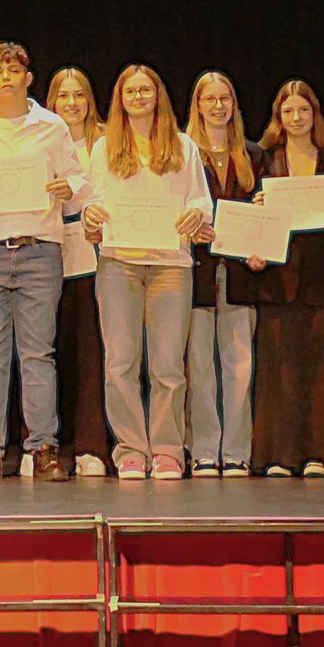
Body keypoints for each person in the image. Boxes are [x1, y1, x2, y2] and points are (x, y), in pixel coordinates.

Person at [0, 42, 91, 481]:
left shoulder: (51, 126)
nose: (6, 77)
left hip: (39, 249)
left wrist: (69, 188)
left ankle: (43, 445)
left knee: (37, 353)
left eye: (14, 70)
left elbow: (78, 178)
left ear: (28, 78)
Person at [82, 65, 211, 481]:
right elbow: (93, 203)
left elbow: (201, 200)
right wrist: (91, 217)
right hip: (118, 262)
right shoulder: (104, 147)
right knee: (120, 362)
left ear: (158, 95)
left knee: (168, 365)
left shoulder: (184, 145)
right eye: (130, 91)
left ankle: (169, 450)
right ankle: (131, 449)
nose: (138, 97)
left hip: (171, 264)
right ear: (119, 98)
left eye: (145, 90)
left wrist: (197, 214)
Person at [250, 80, 324, 478]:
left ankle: (322, 455)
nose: (296, 119)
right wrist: (258, 209)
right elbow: (249, 223)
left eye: (304, 111)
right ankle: (279, 454)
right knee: (280, 367)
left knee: (323, 369)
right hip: (279, 277)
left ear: (316, 115)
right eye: (288, 112)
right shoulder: (265, 162)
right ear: (279, 117)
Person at [184, 70, 267, 478]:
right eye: (210, 99)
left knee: (239, 365)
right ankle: (202, 448)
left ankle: (236, 449)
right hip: (196, 272)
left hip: (241, 273)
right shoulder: (182, 154)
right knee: (198, 365)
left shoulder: (254, 155)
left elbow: (269, 216)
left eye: (225, 99)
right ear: (197, 105)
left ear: (234, 105)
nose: (218, 106)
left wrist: (262, 249)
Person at [47, 67, 112, 478]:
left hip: (98, 255)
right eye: (62, 96)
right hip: (48, 252)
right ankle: (49, 444)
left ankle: (92, 444)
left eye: (78, 96)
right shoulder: (40, 137)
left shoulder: (106, 141)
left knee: (92, 352)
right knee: (48, 350)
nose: (71, 104)